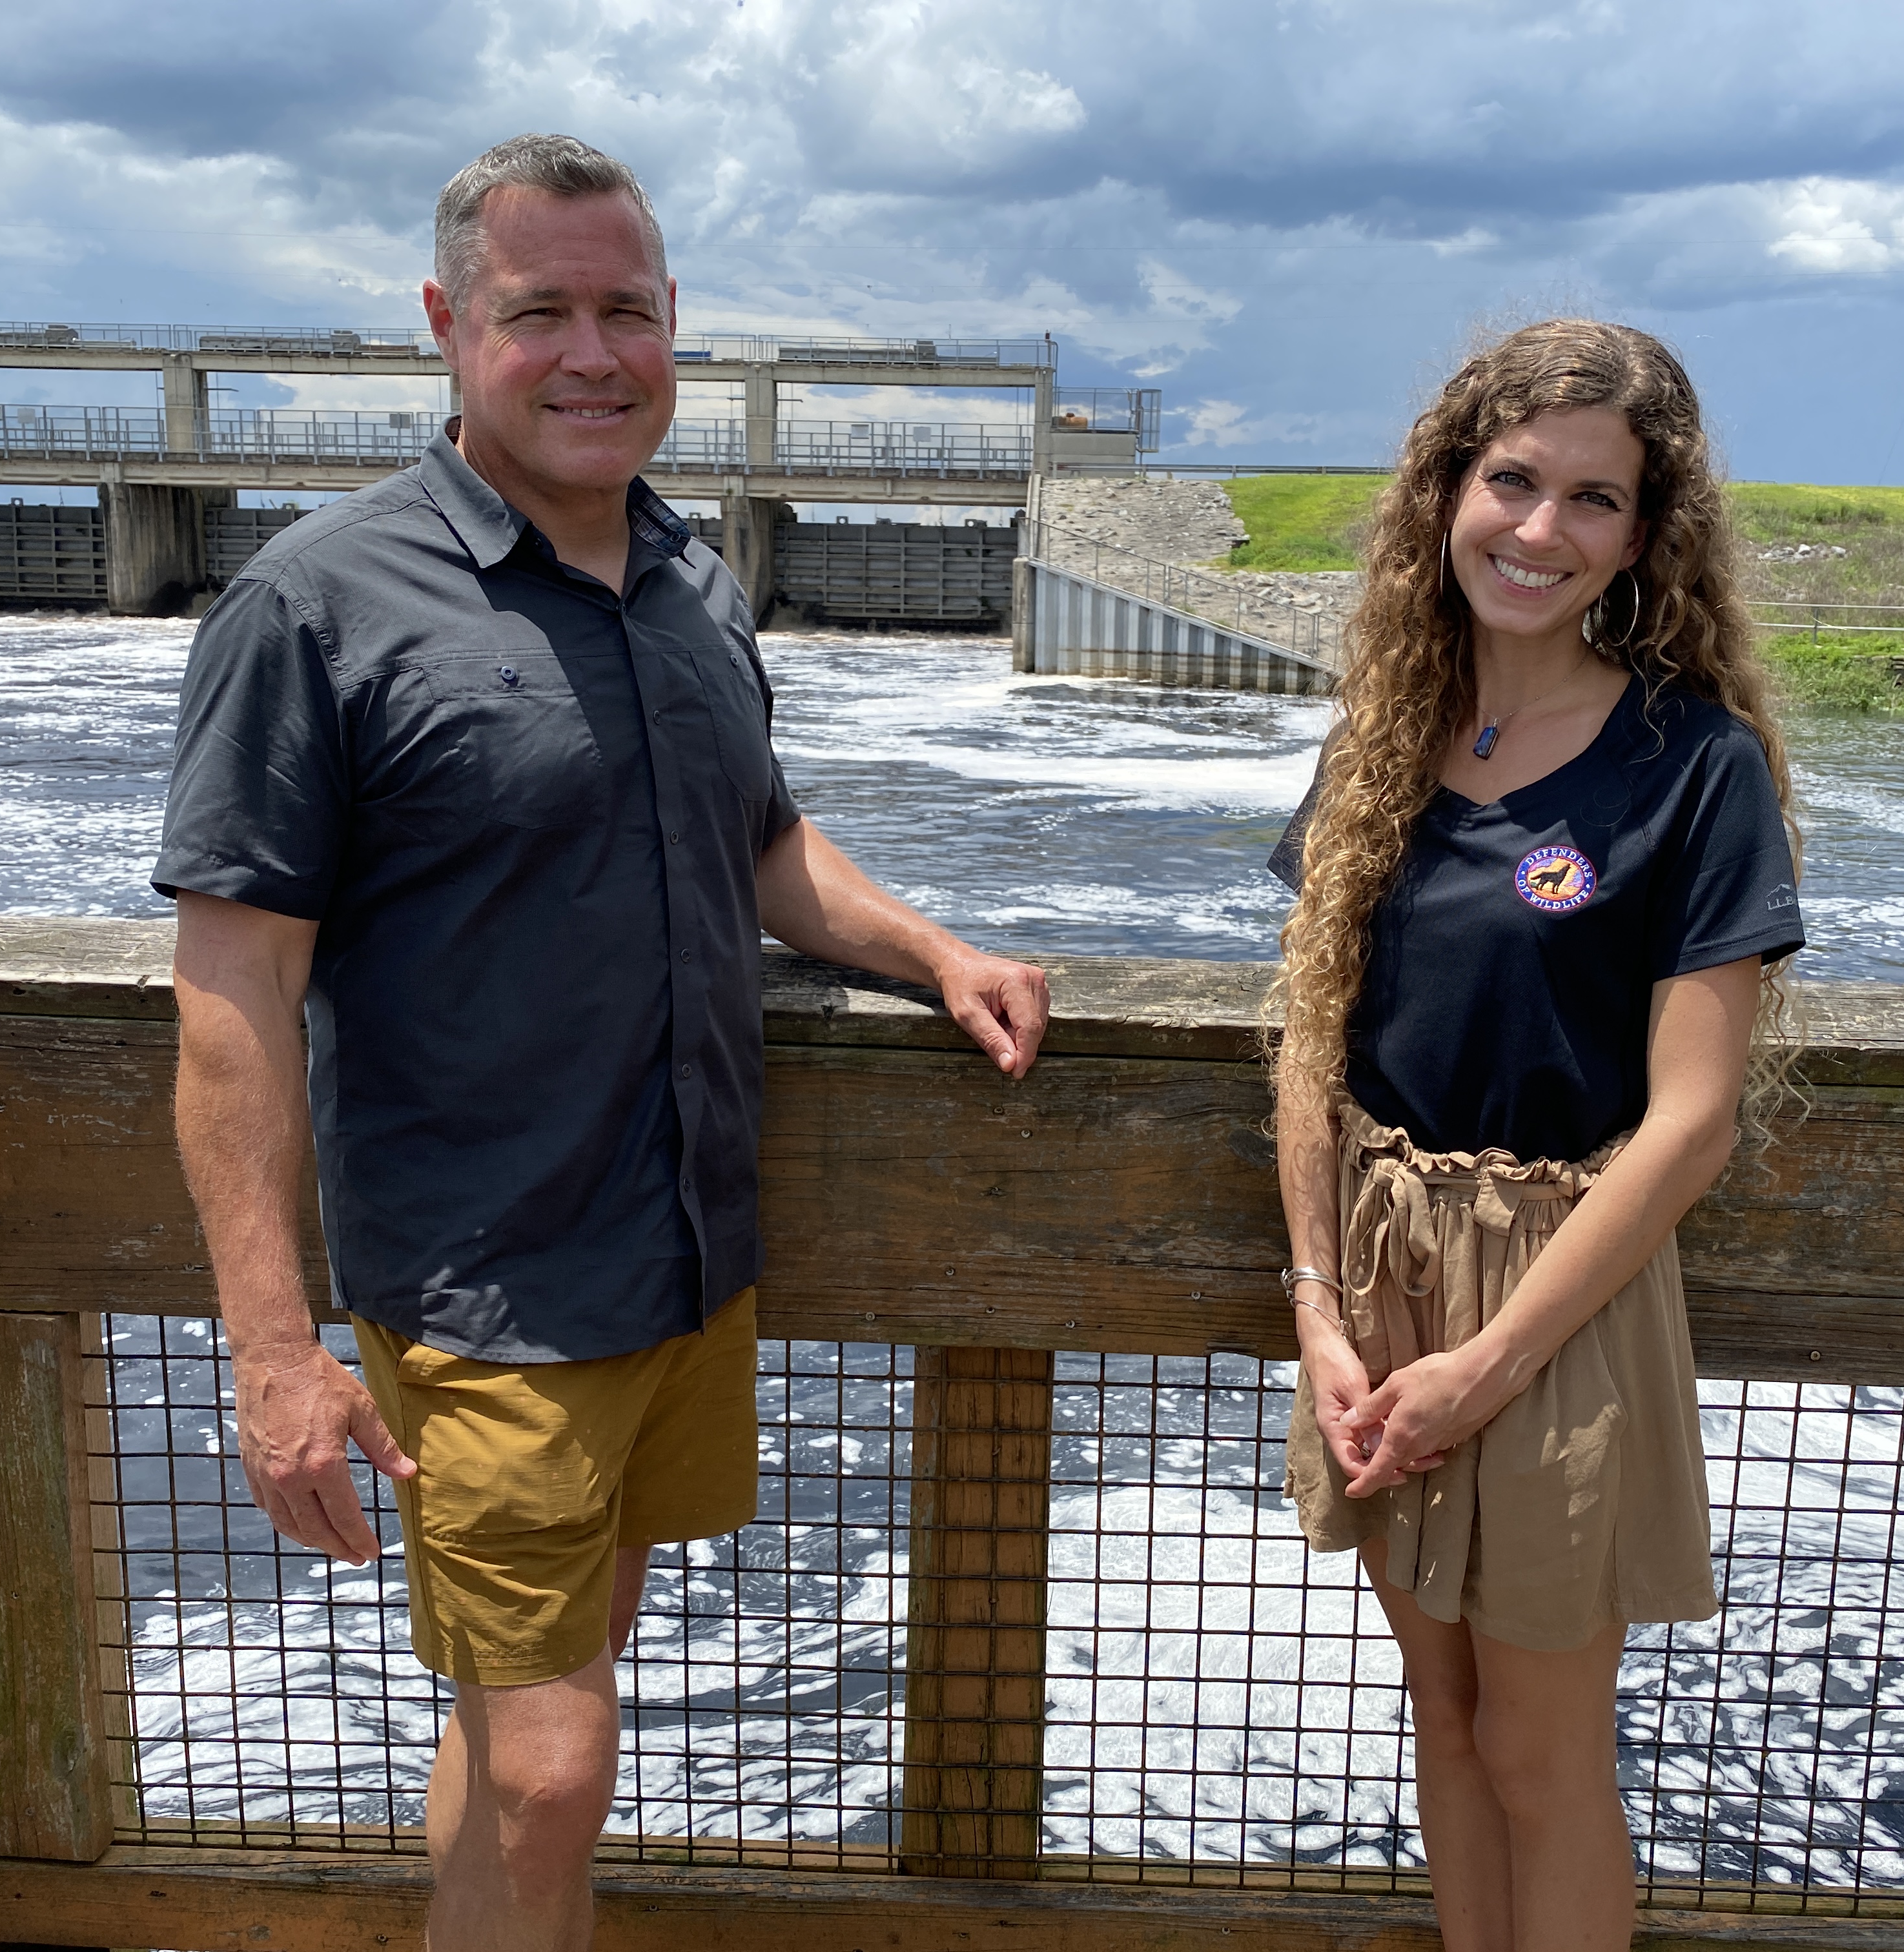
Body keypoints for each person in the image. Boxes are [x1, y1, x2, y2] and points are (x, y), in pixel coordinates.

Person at [155, 134, 1050, 1951]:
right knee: (562, 1766)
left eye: (625, 311)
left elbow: (760, 842)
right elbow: (230, 987)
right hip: (482, 1284)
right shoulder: (313, 605)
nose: (590, 353)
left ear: (673, 329)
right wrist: (273, 1352)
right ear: (447, 325)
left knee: (524, 1730)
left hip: (683, 1262)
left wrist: (928, 948)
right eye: (538, 311)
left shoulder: (695, 583)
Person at [1266, 320, 1803, 1952]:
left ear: (1645, 540)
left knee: (1540, 1747)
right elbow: (1306, 1042)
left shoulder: (1693, 771)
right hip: (1374, 1284)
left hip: (1557, 1299)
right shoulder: (1381, 741)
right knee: (1441, 1720)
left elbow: (1695, 1120)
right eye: (1512, 481)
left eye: (1593, 499)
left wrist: (1486, 1365)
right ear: (1448, 492)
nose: (1539, 530)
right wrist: (1319, 1312)